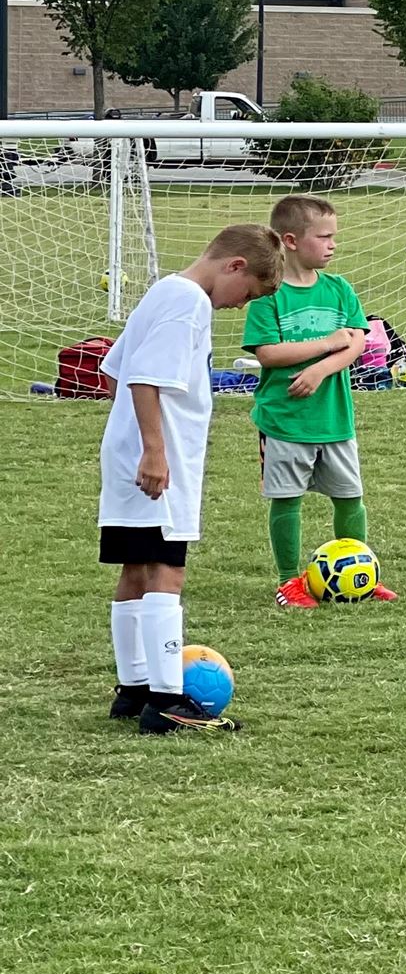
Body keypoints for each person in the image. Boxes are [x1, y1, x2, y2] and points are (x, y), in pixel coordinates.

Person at [101, 226, 280, 733]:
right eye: (247, 294)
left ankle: (134, 689)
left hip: (127, 453)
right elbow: (143, 378)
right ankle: (166, 700)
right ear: (235, 266)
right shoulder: (189, 303)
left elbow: (114, 370)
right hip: (159, 459)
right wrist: (156, 450)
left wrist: (132, 437)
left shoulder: (164, 290)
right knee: (166, 569)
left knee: (136, 568)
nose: (241, 305)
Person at [246, 194, 389, 608]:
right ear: (290, 241)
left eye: (333, 236)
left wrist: (321, 370)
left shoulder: (339, 289)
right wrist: (326, 343)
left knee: (350, 497)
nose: (333, 244)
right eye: (324, 237)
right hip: (285, 420)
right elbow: (268, 353)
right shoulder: (269, 296)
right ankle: (288, 581)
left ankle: (362, 573)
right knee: (286, 499)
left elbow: (357, 342)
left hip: (334, 418)